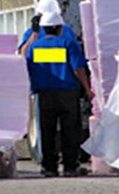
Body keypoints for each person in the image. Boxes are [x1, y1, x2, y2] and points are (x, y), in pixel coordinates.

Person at [24, 11, 95, 177]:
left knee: (46, 130)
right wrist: (88, 89)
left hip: (44, 94)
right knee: (70, 130)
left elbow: (27, 65)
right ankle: (70, 166)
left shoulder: (35, 46)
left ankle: (49, 167)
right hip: (67, 93)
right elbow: (78, 68)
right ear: (59, 28)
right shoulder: (68, 43)